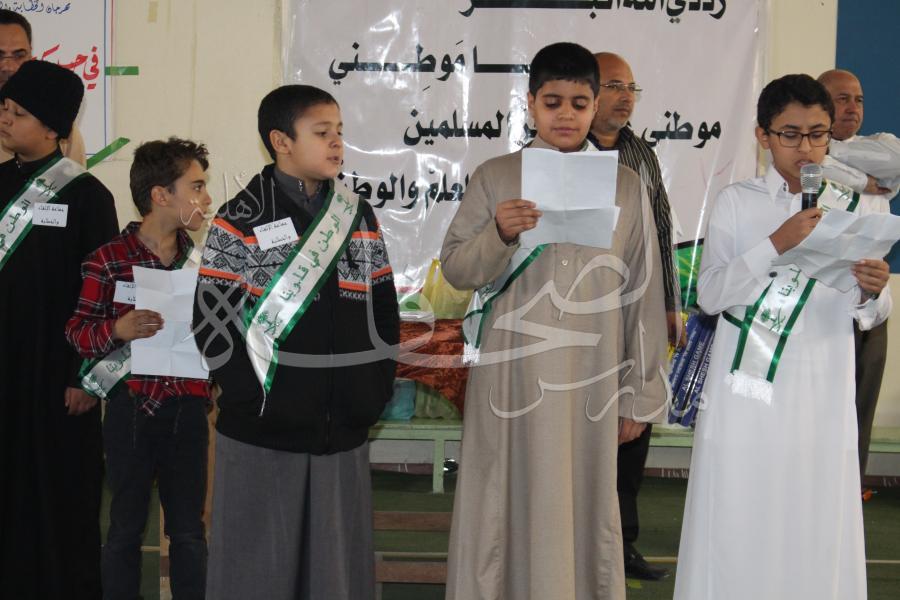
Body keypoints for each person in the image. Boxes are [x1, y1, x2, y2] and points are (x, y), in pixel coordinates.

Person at [440, 42, 668, 600]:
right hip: (510, 374)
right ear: (530, 103)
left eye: (579, 103)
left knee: (586, 502)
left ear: (595, 106)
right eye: (552, 102)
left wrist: (640, 393)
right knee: (502, 496)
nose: (566, 115)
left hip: (594, 374)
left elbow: (643, 291)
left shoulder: (626, 184)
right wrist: (499, 233)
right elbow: (457, 270)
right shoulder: (496, 176)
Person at [674, 74, 891, 600]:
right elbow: (711, 295)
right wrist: (775, 243)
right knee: (739, 500)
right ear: (763, 136)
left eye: (818, 134)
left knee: (815, 505)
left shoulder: (860, 206)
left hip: (823, 381)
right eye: (790, 134)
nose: (806, 148)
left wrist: (873, 291)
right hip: (746, 386)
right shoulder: (736, 202)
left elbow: (871, 313)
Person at [192, 84, 399, 600]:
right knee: (257, 574)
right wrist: (250, 398)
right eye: (322, 132)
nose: (337, 143)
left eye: (340, 132)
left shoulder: (357, 215)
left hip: (342, 431)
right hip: (262, 433)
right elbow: (211, 322)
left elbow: (383, 311)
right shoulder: (239, 219)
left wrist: (371, 391)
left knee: (334, 575)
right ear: (281, 141)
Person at [65, 138, 213, 599]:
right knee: (125, 528)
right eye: (196, 187)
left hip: (189, 409)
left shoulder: (205, 263)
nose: (207, 198)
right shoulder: (108, 259)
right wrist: (118, 329)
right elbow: (77, 332)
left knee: (189, 532)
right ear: (160, 195)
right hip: (131, 409)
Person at [0, 60, 118, 599]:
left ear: (52, 128)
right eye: (4, 108)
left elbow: (108, 296)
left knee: (59, 492)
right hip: (5, 370)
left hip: (58, 377)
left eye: (19, 113)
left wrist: (87, 376)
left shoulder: (89, 196)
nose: (5, 119)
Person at [589, 51, 677, 581]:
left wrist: (669, 303)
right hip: (575, 317)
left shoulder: (641, 154)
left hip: (634, 310)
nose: (625, 97)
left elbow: (662, 228)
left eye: (631, 88)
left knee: (631, 429)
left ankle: (623, 546)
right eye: (614, 86)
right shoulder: (556, 153)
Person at [819, 69, 899, 489]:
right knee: (819, 411)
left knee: (860, 412)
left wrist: (838, 159)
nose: (853, 108)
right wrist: (862, 180)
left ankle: (850, 498)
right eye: (842, 99)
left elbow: (896, 162)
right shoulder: (803, 157)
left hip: (873, 302)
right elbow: (814, 162)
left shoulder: (878, 145)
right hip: (823, 305)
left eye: (859, 99)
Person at [0, 9, 86, 164]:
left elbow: (72, 177)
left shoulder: (52, 118)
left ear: (30, 55)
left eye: (19, 55)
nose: (8, 67)